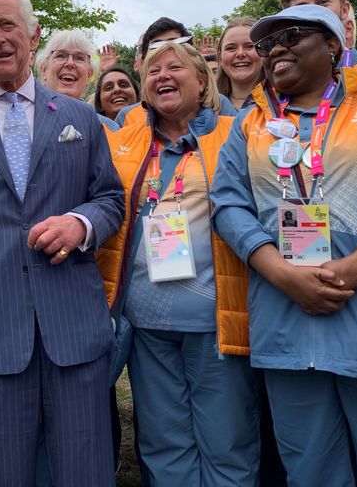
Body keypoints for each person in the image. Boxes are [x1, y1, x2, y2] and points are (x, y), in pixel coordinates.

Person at [210, 4, 357, 486]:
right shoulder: (250, 123)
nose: (275, 48)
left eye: (292, 35)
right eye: (267, 44)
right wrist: (280, 272)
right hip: (285, 325)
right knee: (311, 470)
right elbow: (228, 204)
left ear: (332, 46)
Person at [0, 0, 125, 486]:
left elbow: (111, 201)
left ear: (33, 36)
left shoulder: (80, 117)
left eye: (7, 24)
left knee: (87, 473)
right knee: (0, 476)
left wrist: (79, 224)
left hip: (72, 325)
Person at [97, 41, 259, 485]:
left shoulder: (236, 131)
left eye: (174, 68)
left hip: (216, 320)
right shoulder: (122, 141)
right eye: (152, 71)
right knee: (163, 444)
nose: (162, 76)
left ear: (203, 80)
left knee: (227, 441)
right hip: (146, 322)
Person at [36, 30, 118, 131]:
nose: (70, 63)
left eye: (79, 58)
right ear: (44, 69)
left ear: (89, 74)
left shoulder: (107, 128)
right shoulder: (24, 118)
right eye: (61, 56)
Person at [215, 16, 263, 109]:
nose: (240, 53)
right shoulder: (205, 108)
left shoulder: (285, 103)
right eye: (231, 48)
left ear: (263, 51)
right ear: (220, 57)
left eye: (249, 46)